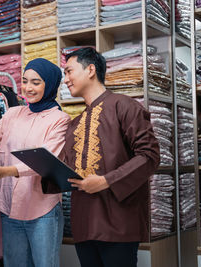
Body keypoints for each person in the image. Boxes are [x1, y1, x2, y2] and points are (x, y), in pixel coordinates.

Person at [63, 47, 160, 267]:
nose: (66, 79)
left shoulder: (124, 106)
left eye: (69, 71)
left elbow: (150, 155)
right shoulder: (74, 124)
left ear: (90, 70)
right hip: (83, 225)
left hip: (118, 223)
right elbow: (67, 168)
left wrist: (107, 180)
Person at [0, 58, 70, 267]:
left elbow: (45, 161)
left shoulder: (60, 120)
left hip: (42, 210)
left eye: (36, 83)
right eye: (25, 81)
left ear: (50, 84)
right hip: (9, 207)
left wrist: (5, 171)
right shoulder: (13, 113)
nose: (28, 88)